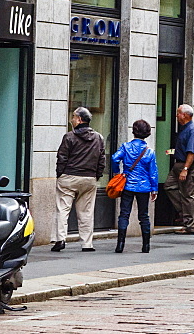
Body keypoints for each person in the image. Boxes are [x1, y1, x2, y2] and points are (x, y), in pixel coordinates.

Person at [52, 107, 105, 252]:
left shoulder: (69, 137)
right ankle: (87, 243)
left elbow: (61, 157)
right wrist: (96, 175)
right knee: (86, 212)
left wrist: (60, 174)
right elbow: (102, 160)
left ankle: (60, 239)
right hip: (89, 178)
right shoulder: (98, 137)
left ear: (80, 120)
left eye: (74, 117)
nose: (72, 119)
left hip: (69, 176)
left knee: (62, 209)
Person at [111, 119, 159, 253]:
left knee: (124, 214)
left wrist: (117, 172)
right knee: (144, 215)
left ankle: (120, 244)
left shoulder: (126, 147)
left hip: (127, 185)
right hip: (144, 187)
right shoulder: (149, 151)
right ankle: (146, 246)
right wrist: (154, 189)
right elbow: (153, 172)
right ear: (147, 133)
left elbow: (115, 158)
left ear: (134, 131)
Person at [165, 104, 194, 235]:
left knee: (188, 194)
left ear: (185, 115)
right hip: (179, 163)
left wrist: (186, 169)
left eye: (178, 113)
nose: (176, 116)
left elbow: (192, 152)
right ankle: (184, 212)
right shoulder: (184, 129)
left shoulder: (193, 130)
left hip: (189, 166)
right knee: (169, 186)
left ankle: (189, 225)